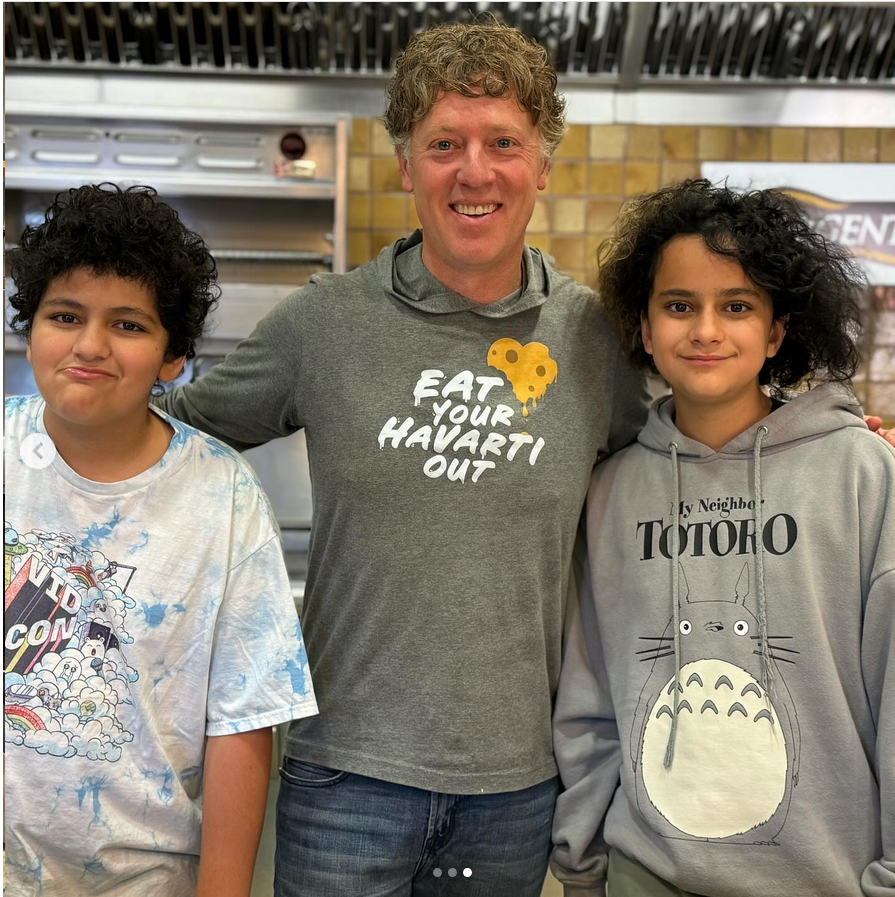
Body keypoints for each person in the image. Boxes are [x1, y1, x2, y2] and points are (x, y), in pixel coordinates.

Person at [155, 18, 651, 897]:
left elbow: (687, 455)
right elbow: (170, 434)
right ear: (404, 165)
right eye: (443, 144)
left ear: (541, 165)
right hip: (343, 777)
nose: (473, 171)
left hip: (515, 787)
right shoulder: (325, 324)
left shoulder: (593, 338)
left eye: (503, 142)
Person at [550, 179, 895, 897]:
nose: (705, 329)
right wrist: (582, 861)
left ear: (775, 332)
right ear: (643, 329)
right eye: (679, 306)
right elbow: (589, 691)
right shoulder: (608, 492)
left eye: (735, 306)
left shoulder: (861, 471)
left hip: (826, 879)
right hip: (644, 873)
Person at [3, 184, 318, 897]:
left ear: (173, 357)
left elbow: (241, 720)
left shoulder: (221, 495)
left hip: (146, 881)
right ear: (31, 328)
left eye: (128, 324)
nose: (89, 344)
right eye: (65, 315)